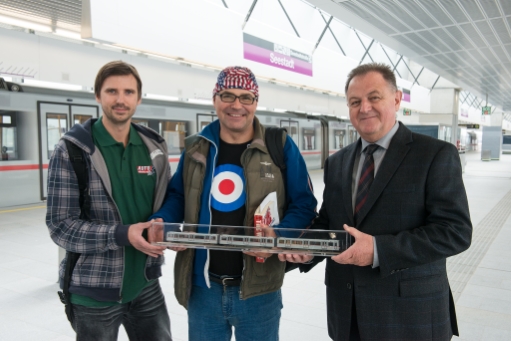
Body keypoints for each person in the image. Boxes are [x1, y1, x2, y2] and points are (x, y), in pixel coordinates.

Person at [282, 62, 472, 340]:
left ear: (397, 99)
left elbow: (455, 232)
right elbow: (330, 221)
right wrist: (309, 249)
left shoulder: (434, 155)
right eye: (355, 101)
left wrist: (378, 250)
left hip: (409, 317)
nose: (364, 108)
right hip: (347, 314)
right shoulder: (337, 162)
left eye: (374, 97)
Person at [151, 66, 317, 341]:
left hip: (259, 289)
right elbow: (178, 195)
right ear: (215, 99)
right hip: (203, 287)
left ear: (255, 103)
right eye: (228, 95)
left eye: (246, 97)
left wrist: (279, 234)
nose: (236, 105)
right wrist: (163, 220)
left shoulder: (280, 145)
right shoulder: (196, 147)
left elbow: (304, 204)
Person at [46, 60, 172, 340]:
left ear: (138, 98)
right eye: (111, 91)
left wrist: (171, 229)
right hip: (94, 292)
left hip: (146, 283)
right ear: (98, 95)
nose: (120, 99)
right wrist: (123, 234)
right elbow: (60, 226)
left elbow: (166, 205)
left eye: (128, 92)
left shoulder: (155, 147)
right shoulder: (73, 150)